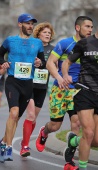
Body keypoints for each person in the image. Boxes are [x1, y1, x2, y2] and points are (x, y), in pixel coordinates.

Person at [35, 16, 93, 169]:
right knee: (55, 126)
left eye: (92, 27)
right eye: (87, 27)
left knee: (77, 122)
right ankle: (44, 132)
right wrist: (60, 78)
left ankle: (69, 160)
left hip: (79, 90)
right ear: (78, 28)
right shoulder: (65, 44)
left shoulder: (91, 46)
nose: (90, 30)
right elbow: (50, 63)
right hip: (60, 89)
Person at [0, 13, 46, 163]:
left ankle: (3, 142)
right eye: (27, 23)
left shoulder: (37, 43)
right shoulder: (10, 40)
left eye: (32, 24)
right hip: (13, 81)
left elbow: (42, 61)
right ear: (20, 24)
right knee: (14, 112)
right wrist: (2, 63)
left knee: (15, 118)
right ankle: (9, 147)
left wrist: (39, 63)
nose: (31, 26)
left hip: (28, 83)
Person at [61, 28, 98, 170]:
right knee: (88, 133)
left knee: (95, 140)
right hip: (85, 90)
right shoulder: (85, 43)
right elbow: (67, 63)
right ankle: (83, 167)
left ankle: (73, 140)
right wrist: (65, 75)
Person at [20, 22, 55, 157]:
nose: (47, 34)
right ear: (38, 33)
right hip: (29, 85)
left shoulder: (53, 49)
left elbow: (55, 66)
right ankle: (25, 146)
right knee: (30, 115)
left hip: (42, 87)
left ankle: (25, 141)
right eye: (45, 32)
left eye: (49, 33)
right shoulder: (32, 45)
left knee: (33, 118)